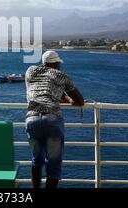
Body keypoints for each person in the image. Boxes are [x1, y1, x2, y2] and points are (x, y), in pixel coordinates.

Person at [25, 50, 84, 188]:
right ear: (57, 63)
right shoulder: (61, 76)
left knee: (36, 162)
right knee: (53, 166)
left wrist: (63, 96)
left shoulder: (31, 71)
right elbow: (79, 101)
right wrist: (70, 99)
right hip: (52, 120)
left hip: (32, 118)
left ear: (44, 62)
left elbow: (46, 90)